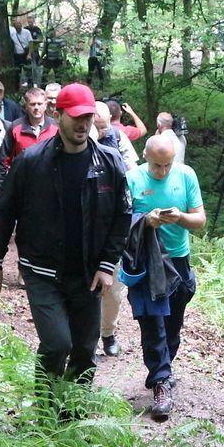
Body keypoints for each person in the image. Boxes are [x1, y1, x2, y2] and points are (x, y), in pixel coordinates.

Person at [0, 83, 132, 410]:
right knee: (56, 343)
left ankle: (72, 419)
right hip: (42, 271)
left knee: (83, 349)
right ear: (58, 114)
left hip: (88, 273)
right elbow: (5, 211)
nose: (82, 124)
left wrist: (108, 265)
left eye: (88, 117)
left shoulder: (108, 162)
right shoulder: (32, 162)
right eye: (75, 117)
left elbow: (123, 214)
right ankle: (47, 412)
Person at [127, 133, 205, 421]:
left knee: (172, 326)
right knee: (152, 323)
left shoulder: (185, 176)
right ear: (145, 157)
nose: (162, 171)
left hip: (179, 260)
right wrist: (146, 221)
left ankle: (163, 370)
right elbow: (120, 219)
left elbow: (200, 219)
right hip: (147, 262)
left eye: (167, 165)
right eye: (157, 165)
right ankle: (161, 382)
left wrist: (179, 217)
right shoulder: (132, 178)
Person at [90, 100, 141, 357]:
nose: (101, 126)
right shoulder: (80, 140)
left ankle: (108, 333)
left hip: (115, 225)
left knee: (114, 290)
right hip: (87, 227)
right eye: (96, 121)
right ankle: (85, 337)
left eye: (104, 121)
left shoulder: (119, 138)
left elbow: (132, 172)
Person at [9, 87, 58, 157]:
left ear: (45, 105)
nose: (36, 108)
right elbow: (4, 160)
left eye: (40, 104)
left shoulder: (56, 127)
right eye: (32, 104)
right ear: (26, 106)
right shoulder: (15, 127)